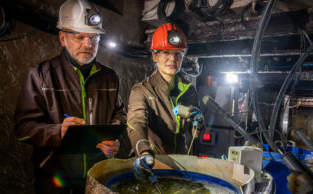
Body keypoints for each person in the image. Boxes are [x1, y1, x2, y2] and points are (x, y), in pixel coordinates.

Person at [14, 0, 126, 193]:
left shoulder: (110, 77)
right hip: (55, 177)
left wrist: (112, 137)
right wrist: (58, 132)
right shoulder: (40, 75)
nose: (88, 44)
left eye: (94, 38)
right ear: (63, 38)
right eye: (80, 37)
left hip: (97, 175)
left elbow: (120, 113)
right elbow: (23, 129)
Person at [126, 23, 204, 178]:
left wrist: (199, 125)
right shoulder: (141, 90)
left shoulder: (189, 90)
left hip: (182, 167)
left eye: (177, 54)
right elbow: (136, 123)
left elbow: (193, 134)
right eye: (166, 53)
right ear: (155, 56)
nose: (172, 59)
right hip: (154, 166)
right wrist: (144, 153)